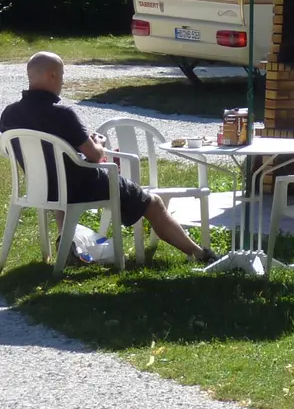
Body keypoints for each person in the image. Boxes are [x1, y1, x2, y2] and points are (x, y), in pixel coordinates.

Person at [0, 52, 213, 264]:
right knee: (153, 203)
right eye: (62, 75)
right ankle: (199, 253)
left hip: (43, 187)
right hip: (78, 186)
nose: (63, 81)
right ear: (52, 76)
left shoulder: (9, 114)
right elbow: (94, 155)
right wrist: (99, 143)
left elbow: (14, 149)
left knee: (64, 180)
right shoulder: (62, 114)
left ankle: (69, 246)